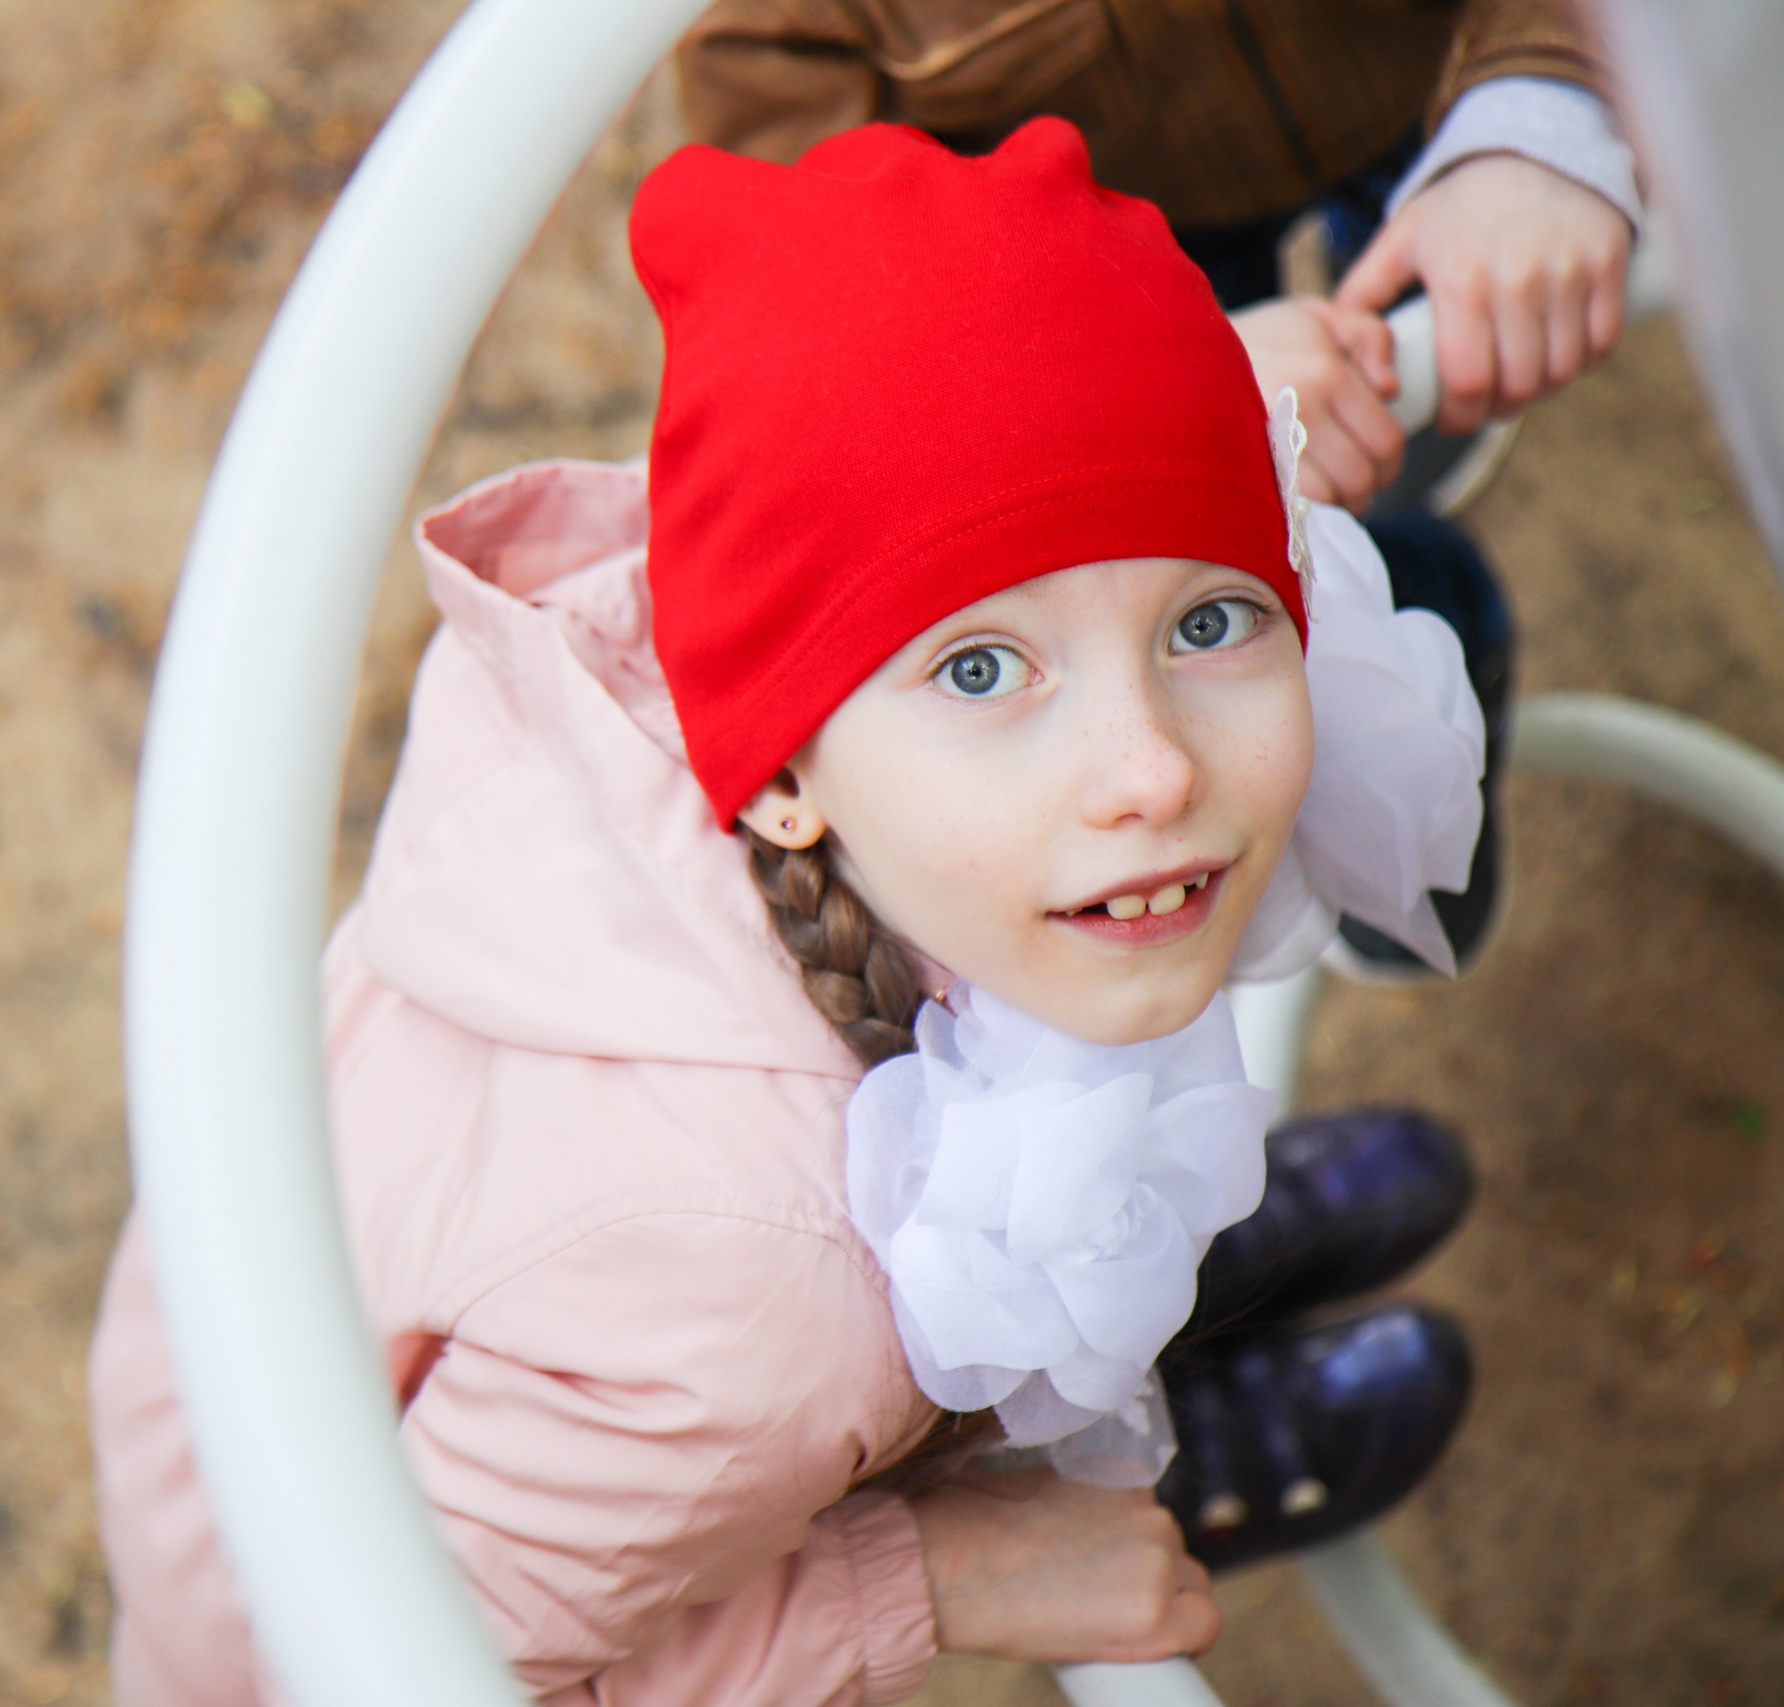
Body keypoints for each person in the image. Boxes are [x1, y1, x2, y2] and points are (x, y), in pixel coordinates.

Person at [92, 122, 1484, 1705]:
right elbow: (365, 1662)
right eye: (981, 670)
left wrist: (1208, 395)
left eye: (1209, 615)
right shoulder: (757, 1298)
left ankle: (1120, 1288)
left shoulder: (878, 779)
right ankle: (1066, 1455)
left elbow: (955, 481)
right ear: (775, 776)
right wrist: (929, 1571)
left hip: (601, 1415)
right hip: (366, 1570)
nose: (1151, 766)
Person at [675, 0, 1643, 512]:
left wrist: (1539, 93)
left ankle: (1431, 423)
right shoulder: (758, 25)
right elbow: (820, 277)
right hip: (1124, 240)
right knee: (1269, 497)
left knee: (1437, 326)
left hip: (1428, 77)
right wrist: (1152, 380)